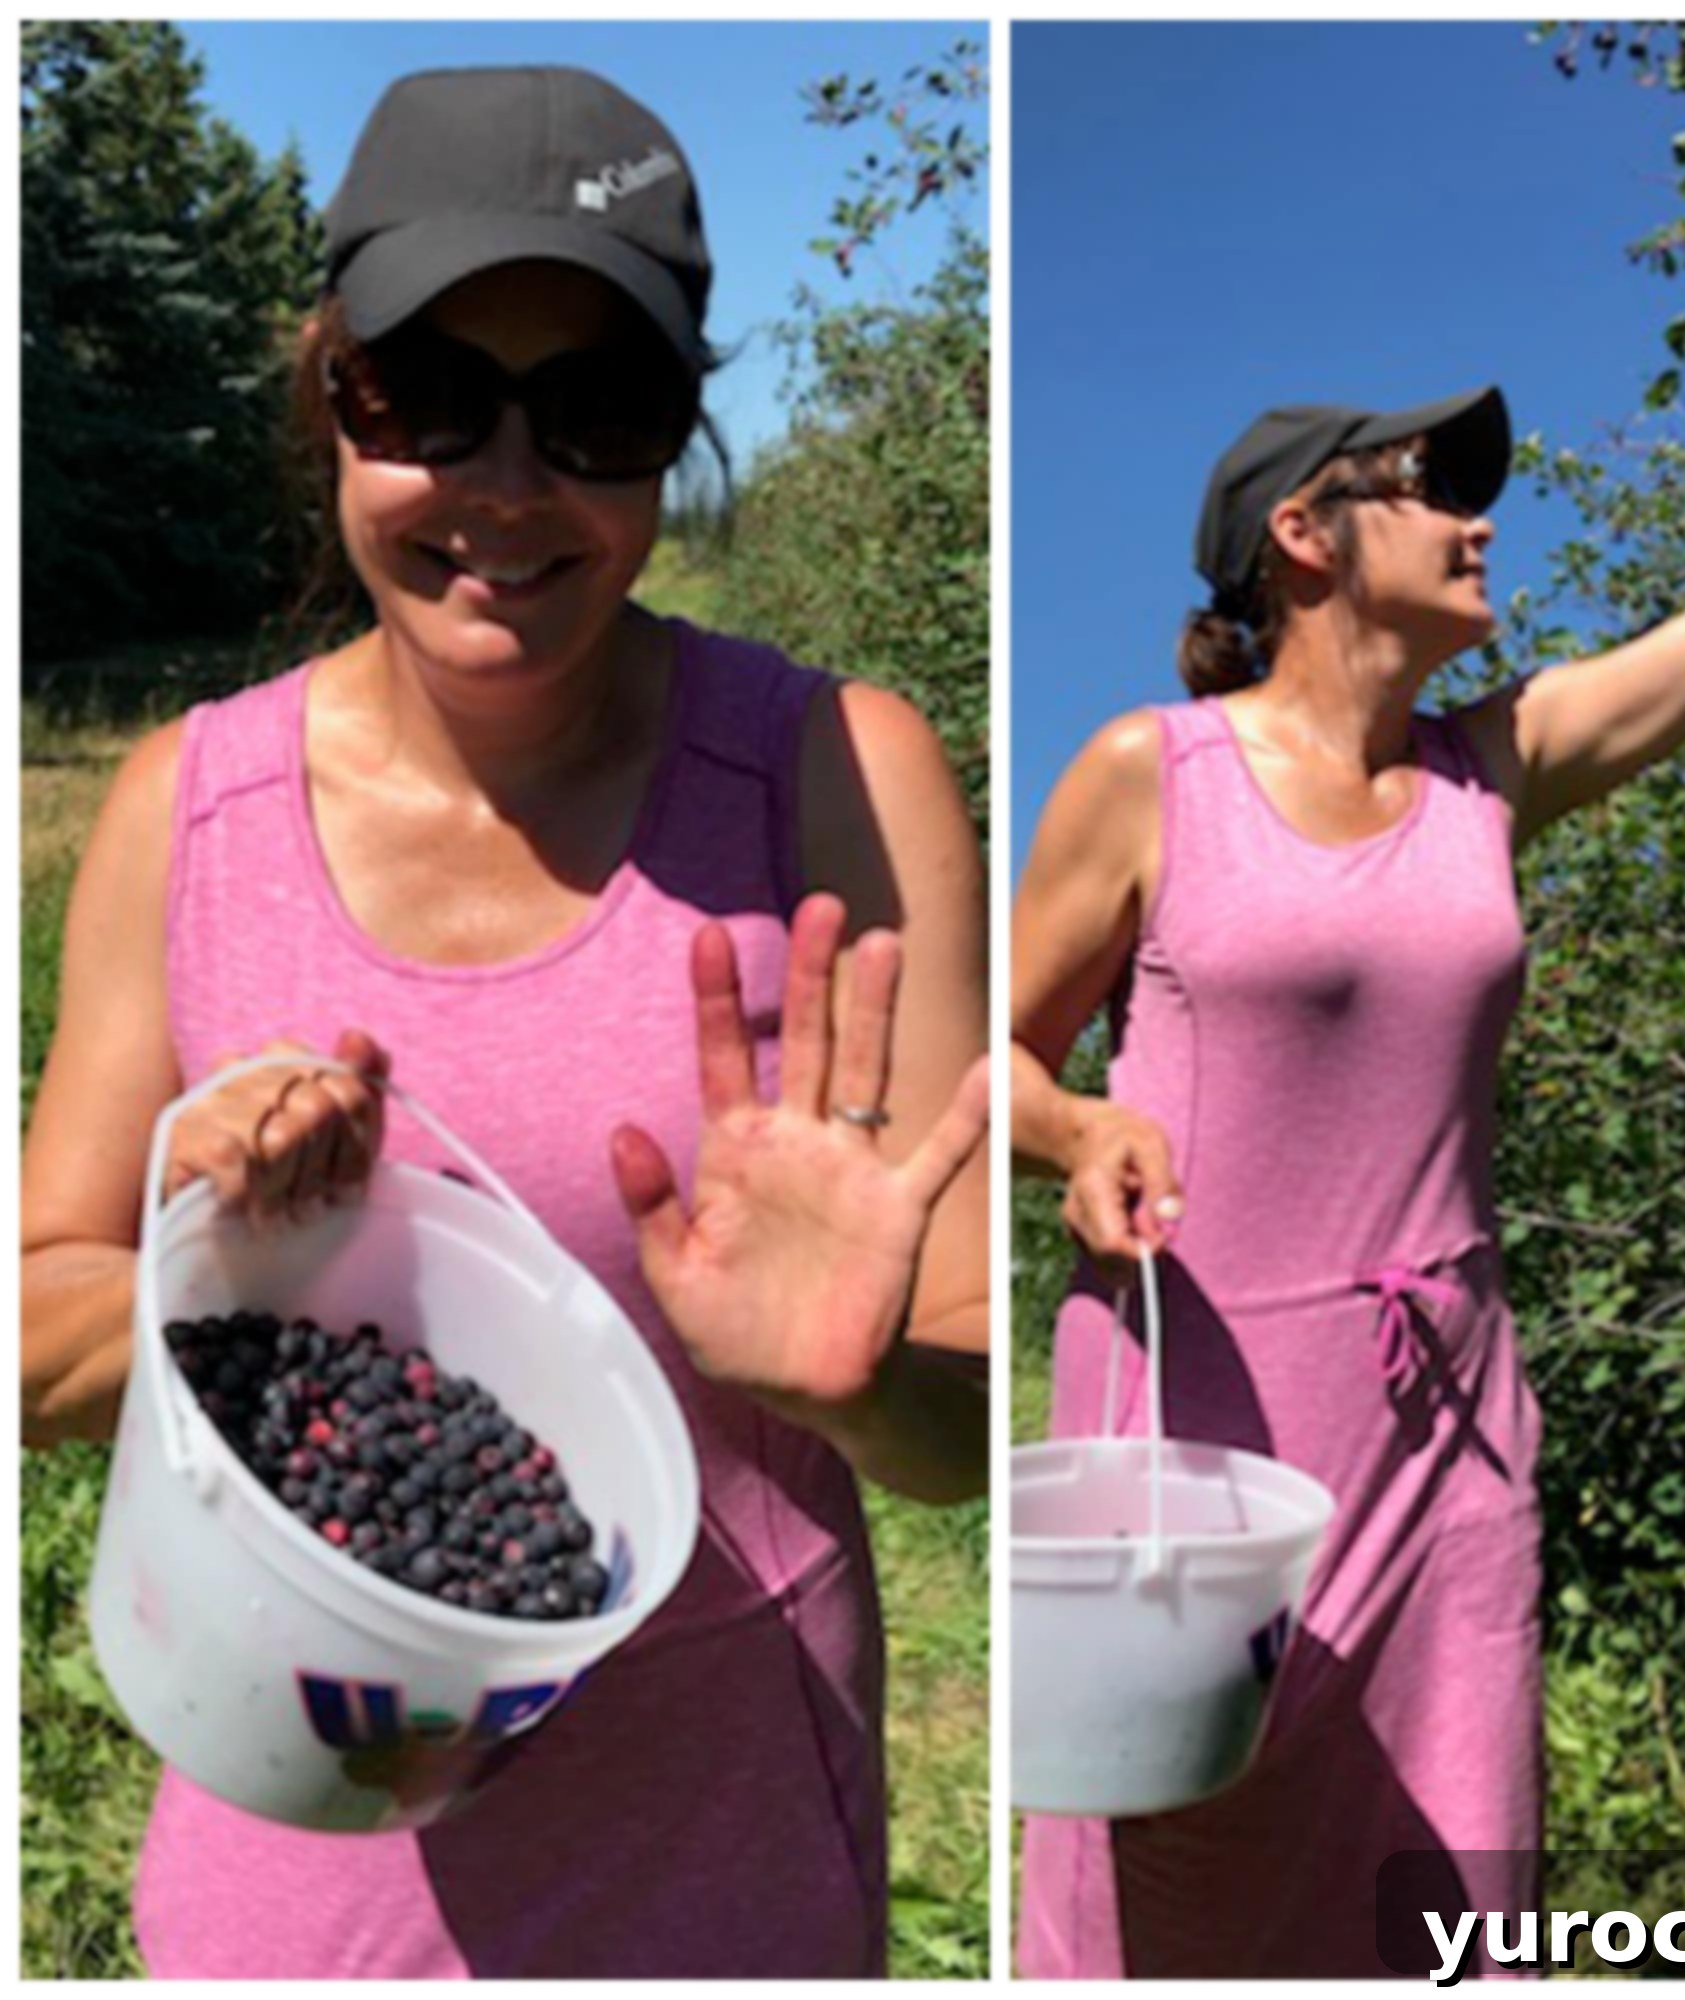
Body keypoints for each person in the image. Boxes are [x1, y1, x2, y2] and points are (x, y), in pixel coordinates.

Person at [21, 65, 989, 1978]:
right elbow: (31, 1346)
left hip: (720, 1859)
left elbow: (953, 1412)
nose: (507, 485)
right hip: (297, 1853)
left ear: (674, 442)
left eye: (600, 413)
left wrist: (849, 1377)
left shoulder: (834, 778)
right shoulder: (180, 813)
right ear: (330, 401)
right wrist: (207, 1267)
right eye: (428, 396)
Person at [1010, 151, 1685, 1977]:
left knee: (1449, 1902)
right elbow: (991, 1056)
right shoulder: (1155, 774)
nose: (1481, 521)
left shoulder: (1492, 768)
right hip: (1199, 1424)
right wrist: (1080, 1123)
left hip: (1448, 1428)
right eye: (1439, 486)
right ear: (1304, 533)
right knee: (1179, 1895)